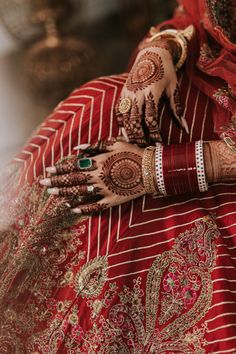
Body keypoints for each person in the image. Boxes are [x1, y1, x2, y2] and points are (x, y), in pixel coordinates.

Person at [0, 0, 236, 352]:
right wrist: (161, 50)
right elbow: (197, 15)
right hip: (212, 90)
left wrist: (157, 170)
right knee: (94, 114)